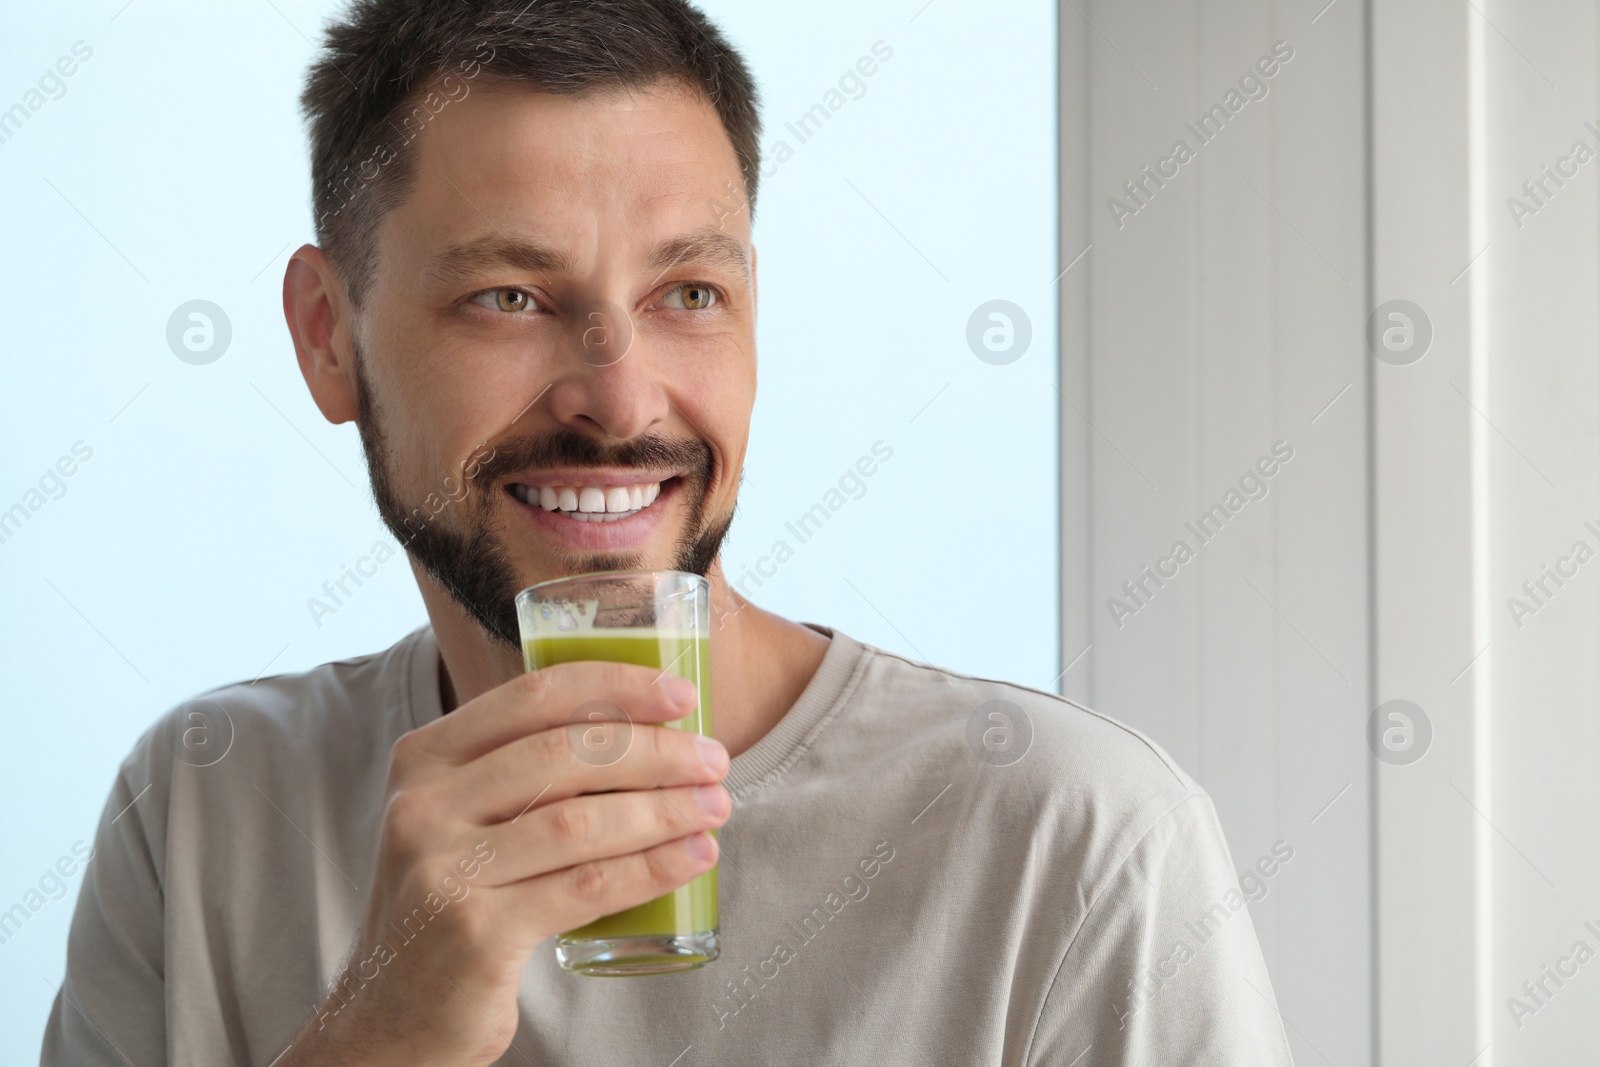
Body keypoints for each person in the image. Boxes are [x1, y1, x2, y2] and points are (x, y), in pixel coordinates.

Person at [42, 1, 1295, 1063]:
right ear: (329, 337)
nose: (622, 396)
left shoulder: (1077, 848)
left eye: (686, 293)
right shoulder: (201, 807)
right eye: (509, 297)